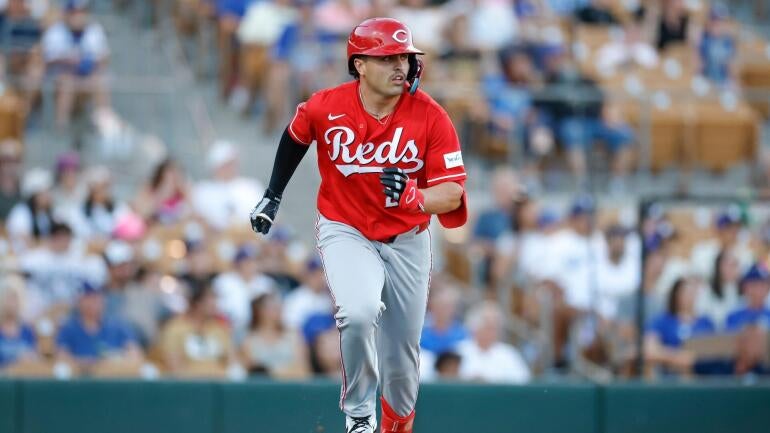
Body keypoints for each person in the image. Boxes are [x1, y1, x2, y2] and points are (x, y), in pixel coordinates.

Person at [249, 17, 468, 433]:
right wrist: (273, 195)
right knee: (358, 311)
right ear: (360, 64)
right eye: (387, 58)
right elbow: (296, 135)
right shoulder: (326, 105)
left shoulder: (432, 116)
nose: (399, 65)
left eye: (403, 56)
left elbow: (452, 194)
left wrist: (415, 196)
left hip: (408, 238)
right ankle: (359, 415)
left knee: (401, 357)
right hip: (346, 229)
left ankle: (396, 425)